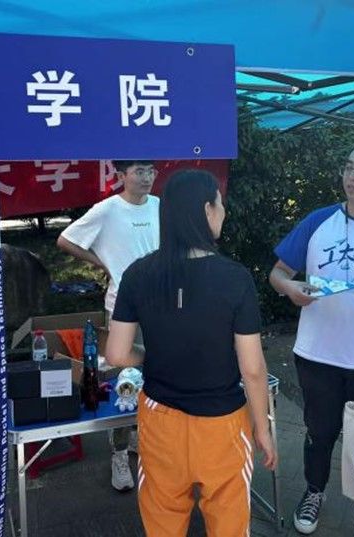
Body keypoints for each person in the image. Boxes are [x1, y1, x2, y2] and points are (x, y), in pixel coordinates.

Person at [105, 169, 277, 537]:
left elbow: (117, 354)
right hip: (223, 424)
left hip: (159, 420)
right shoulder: (235, 278)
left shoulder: (138, 274)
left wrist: (151, 357)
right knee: (229, 525)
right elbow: (252, 368)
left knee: (163, 524)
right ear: (206, 210)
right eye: (220, 204)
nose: (224, 212)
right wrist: (262, 427)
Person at [269, 139, 354, 535]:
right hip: (318, 354)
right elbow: (278, 272)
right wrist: (290, 289)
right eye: (348, 166)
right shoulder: (318, 221)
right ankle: (314, 491)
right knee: (320, 431)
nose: (352, 176)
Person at [56, 160, 159, 491]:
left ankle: (141, 437)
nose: (146, 177)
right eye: (139, 171)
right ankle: (119, 451)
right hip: (123, 307)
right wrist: (103, 262)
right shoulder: (107, 210)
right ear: (121, 175)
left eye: (151, 170)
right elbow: (66, 240)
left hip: (160, 306)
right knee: (124, 377)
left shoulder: (160, 206)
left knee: (156, 374)